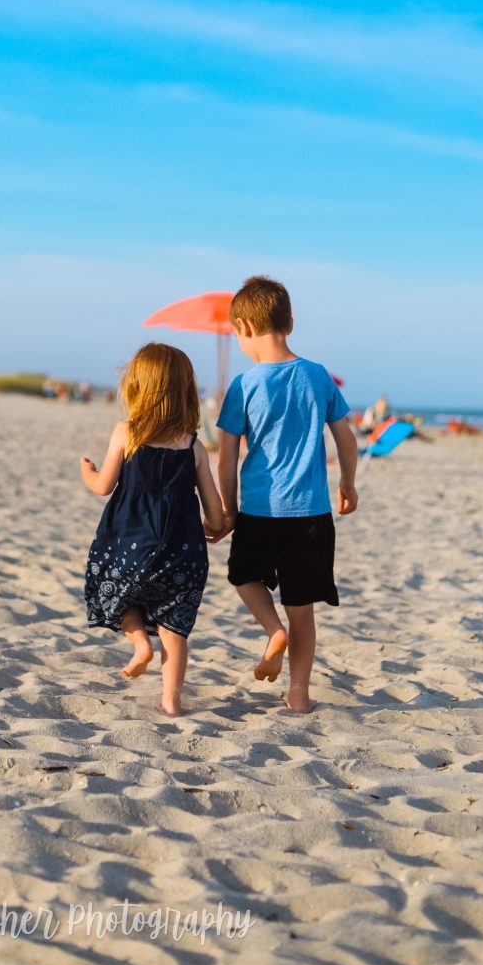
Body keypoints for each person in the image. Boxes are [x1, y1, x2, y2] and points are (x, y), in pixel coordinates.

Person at [207, 276, 359, 713]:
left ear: (243, 329)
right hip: (310, 512)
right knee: (302, 608)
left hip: (259, 507)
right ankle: (298, 693)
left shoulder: (243, 385)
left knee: (243, 576)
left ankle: (272, 631)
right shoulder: (317, 375)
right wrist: (347, 483)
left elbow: (227, 455)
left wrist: (227, 509)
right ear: (290, 322)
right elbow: (346, 440)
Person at [81, 343, 224, 717]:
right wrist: (216, 524)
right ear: (184, 392)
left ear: (136, 388)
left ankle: (140, 644)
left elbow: (103, 486)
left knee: (113, 591)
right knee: (174, 625)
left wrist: (87, 472)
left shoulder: (126, 433)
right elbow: (215, 510)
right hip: (182, 550)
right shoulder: (193, 446)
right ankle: (171, 701)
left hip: (129, 542)